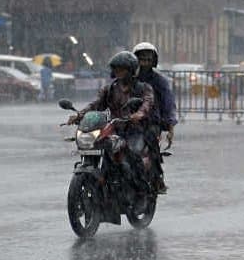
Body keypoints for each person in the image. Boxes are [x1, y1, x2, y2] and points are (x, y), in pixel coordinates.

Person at [68, 51, 155, 189]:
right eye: (116, 69)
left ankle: (141, 189)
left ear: (131, 70)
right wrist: (80, 115)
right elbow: (96, 104)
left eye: (122, 69)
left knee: (134, 156)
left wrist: (139, 114)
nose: (118, 72)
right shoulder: (109, 89)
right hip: (114, 129)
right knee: (97, 144)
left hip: (135, 130)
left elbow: (147, 103)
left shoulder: (143, 88)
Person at [133, 42, 176, 193]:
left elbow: (169, 103)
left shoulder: (160, 81)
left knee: (151, 142)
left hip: (150, 122)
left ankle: (157, 178)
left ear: (153, 61)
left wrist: (170, 127)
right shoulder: (127, 79)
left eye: (147, 59)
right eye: (141, 59)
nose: (144, 63)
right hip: (127, 121)